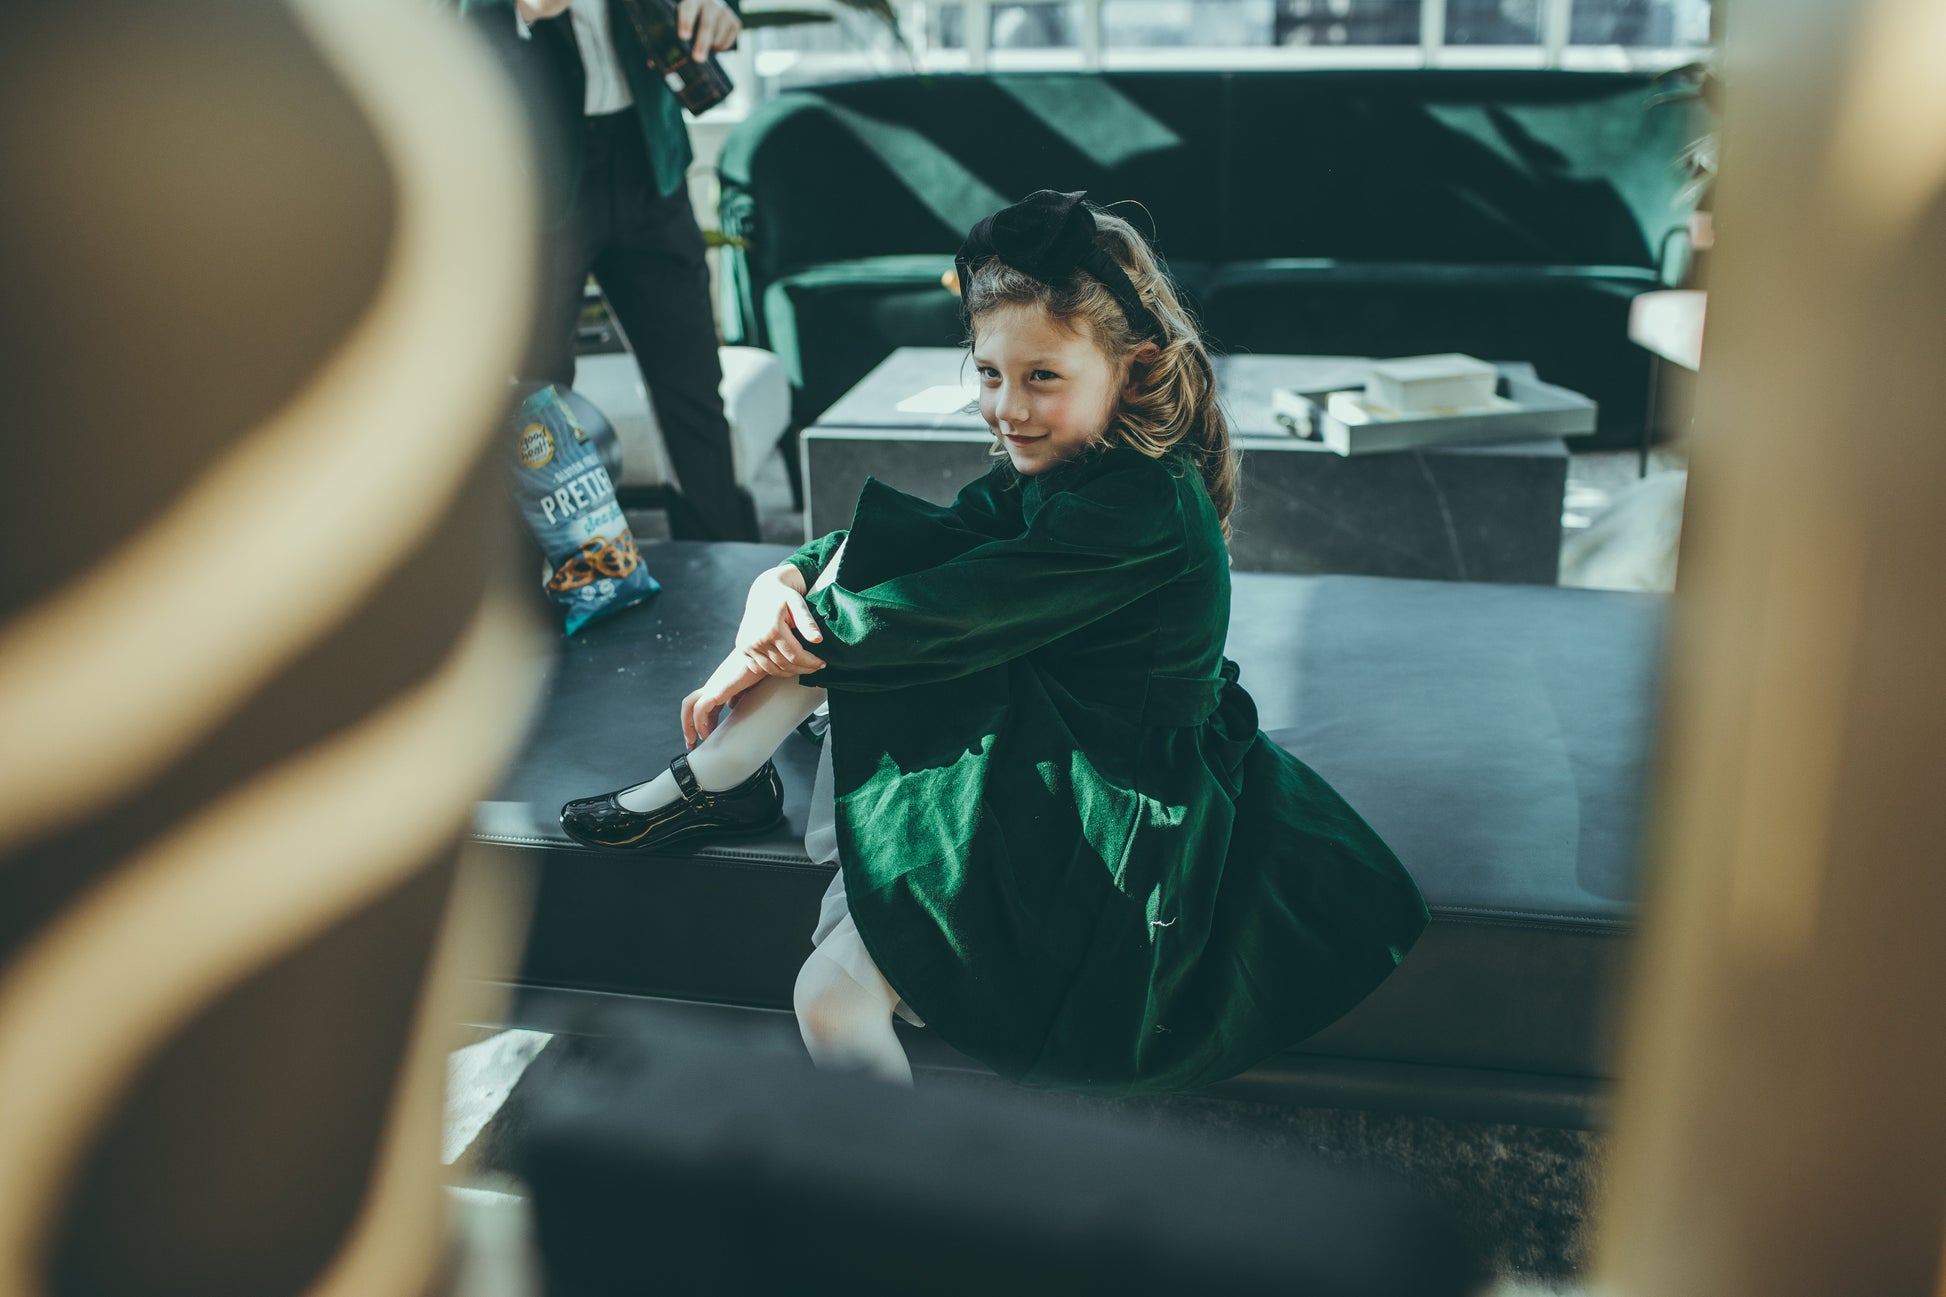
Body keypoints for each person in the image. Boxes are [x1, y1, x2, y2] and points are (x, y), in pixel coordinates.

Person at [560, 190, 1431, 1095]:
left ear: (1131, 371)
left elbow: (941, 607)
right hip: (1047, 722)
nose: (1005, 409)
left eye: (1041, 378)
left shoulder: (1144, 505)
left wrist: (780, 635)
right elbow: (930, 546)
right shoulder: (1070, 463)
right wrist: (774, 584)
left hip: (1108, 789)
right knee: (850, 574)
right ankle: (720, 779)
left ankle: (718, 782)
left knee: (829, 994)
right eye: (987, 374)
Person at [464, 0, 761, 541]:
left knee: (693, 387)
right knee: (539, 398)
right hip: (536, 176)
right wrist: (519, 11)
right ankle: (551, 592)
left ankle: (727, 576)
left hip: (651, 161)